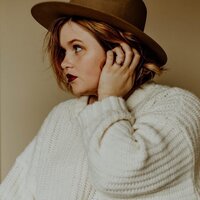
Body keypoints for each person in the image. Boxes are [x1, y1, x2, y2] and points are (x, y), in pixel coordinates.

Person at [0, 0, 200, 199]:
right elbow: (13, 192)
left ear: (120, 51)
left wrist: (109, 99)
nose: (64, 62)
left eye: (77, 48)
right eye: (63, 50)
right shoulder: (62, 115)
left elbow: (117, 176)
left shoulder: (179, 107)